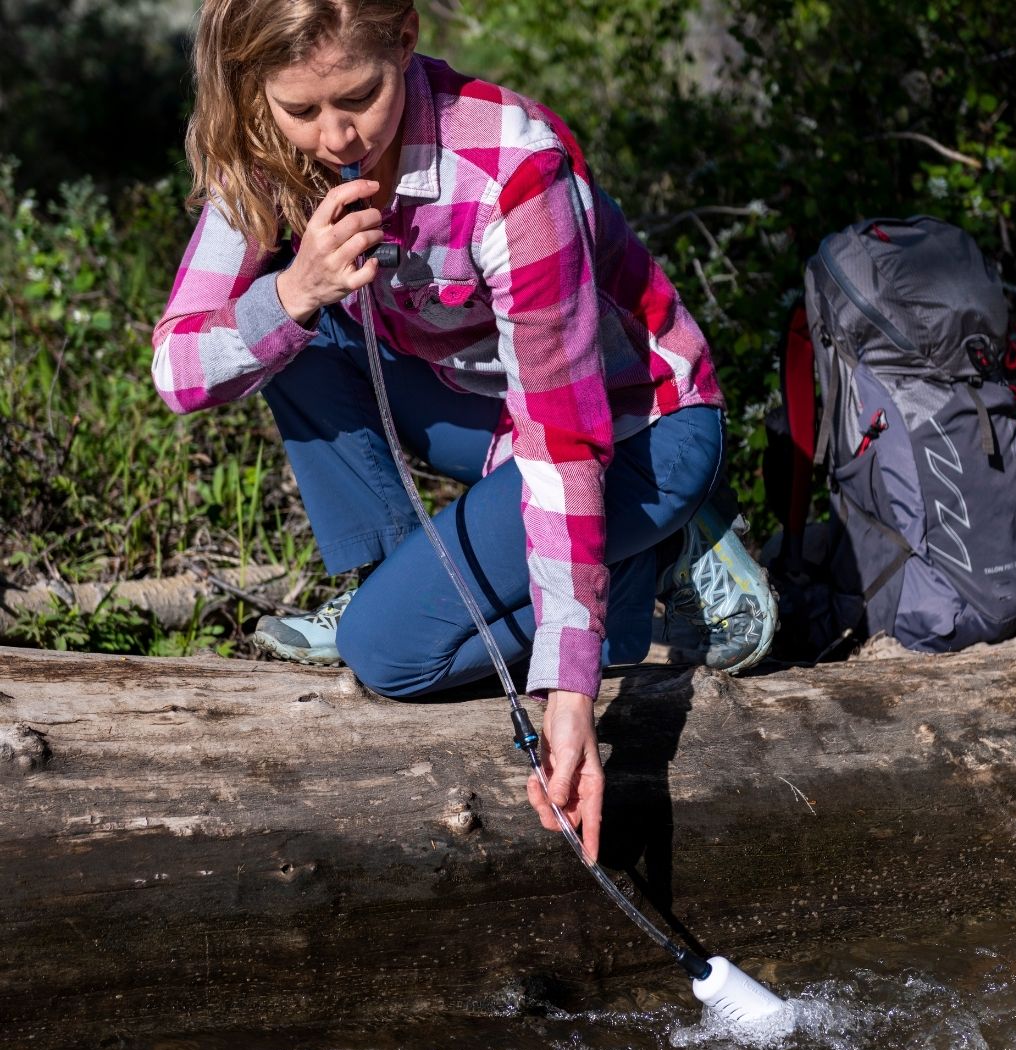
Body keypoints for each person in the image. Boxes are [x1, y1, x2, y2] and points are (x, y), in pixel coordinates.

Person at [152, 0, 777, 862]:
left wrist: (569, 692)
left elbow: (563, 442)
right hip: (478, 412)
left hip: (635, 431)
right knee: (295, 334)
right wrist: (294, 291)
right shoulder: (265, 151)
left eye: (360, 99)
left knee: (386, 655)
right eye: (302, 110)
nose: (336, 137)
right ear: (255, 90)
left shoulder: (511, 168)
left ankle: (646, 566)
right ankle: (425, 574)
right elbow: (177, 373)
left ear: (405, 43)